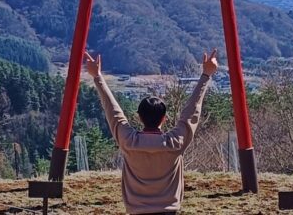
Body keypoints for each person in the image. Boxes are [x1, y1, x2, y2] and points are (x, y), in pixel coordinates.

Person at [83, 49, 218, 215]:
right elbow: (191, 114)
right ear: (164, 119)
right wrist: (206, 75)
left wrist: (97, 76)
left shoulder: (128, 142)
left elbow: (113, 112)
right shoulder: (174, 143)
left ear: (139, 117)